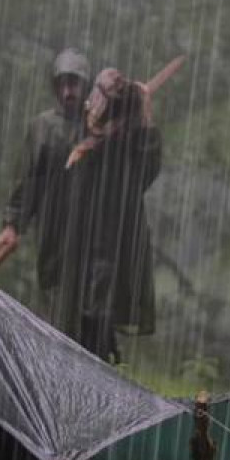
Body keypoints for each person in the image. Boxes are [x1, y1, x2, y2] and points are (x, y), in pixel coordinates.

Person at [53, 66, 162, 363]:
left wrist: (143, 110)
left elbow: (148, 167)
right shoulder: (81, 136)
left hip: (106, 252)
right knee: (80, 315)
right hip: (81, 246)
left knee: (96, 314)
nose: (90, 103)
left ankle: (96, 357)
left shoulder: (125, 149)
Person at [0, 49, 91, 316]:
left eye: (73, 84)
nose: (68, 92)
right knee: (57, 304)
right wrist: (12, 224)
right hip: (55, 233)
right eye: (63, 84)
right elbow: (28, 179)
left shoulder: (100, 126)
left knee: (94, 311)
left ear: (85, 85)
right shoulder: (43, 126)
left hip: (94, 237)